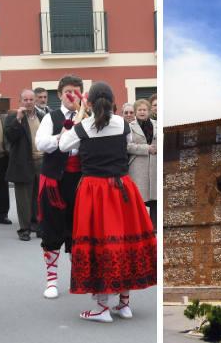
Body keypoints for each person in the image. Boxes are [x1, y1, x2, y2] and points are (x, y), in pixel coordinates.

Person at [59, 81, 156, 322]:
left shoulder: (84, 127)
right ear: (112, 101)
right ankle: (124, 304)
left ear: (89, 102)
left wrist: (81, 113)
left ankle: (101, 307)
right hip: (122, 188)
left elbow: (63, 145)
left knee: (98, 244)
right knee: (124, 242)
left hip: (94, 190)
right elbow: (124, 148)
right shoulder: (122, 124)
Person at [35, 75, 83, 298]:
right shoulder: (50, 117)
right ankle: (51, 279)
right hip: (55, 179)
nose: (72, 96)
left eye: (76, 91)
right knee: (52, 229)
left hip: (81, 181)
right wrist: (62, 136)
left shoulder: (89, 117)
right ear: (60, 95)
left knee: (79, 229)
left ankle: (78, 277)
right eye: (68, 92)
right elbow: (41, 144)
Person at [5, 90, 43, 241]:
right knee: (23, 199)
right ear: (20, 101)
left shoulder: (43, 116)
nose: (28, 102)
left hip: (41, 161)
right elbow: (10, 137)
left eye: (31, 99)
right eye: (25, 99)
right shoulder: (13, 117)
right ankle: (24, 229)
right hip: (23, 163)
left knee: (39, 197)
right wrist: (18, 121)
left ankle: (37, 225)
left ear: (35, 100)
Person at [127, 99, 157, 230]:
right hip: (138, 166)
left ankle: (155, 226)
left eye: (144, 110)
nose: (142, 112)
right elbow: (127, 146)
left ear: (149, 111)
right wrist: (146, 148)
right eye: (139, 110)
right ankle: (140, 227)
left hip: (155, 165)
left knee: (155, 199)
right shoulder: (129, 126)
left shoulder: (156, 124)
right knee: (139, 198)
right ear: (135, 112)